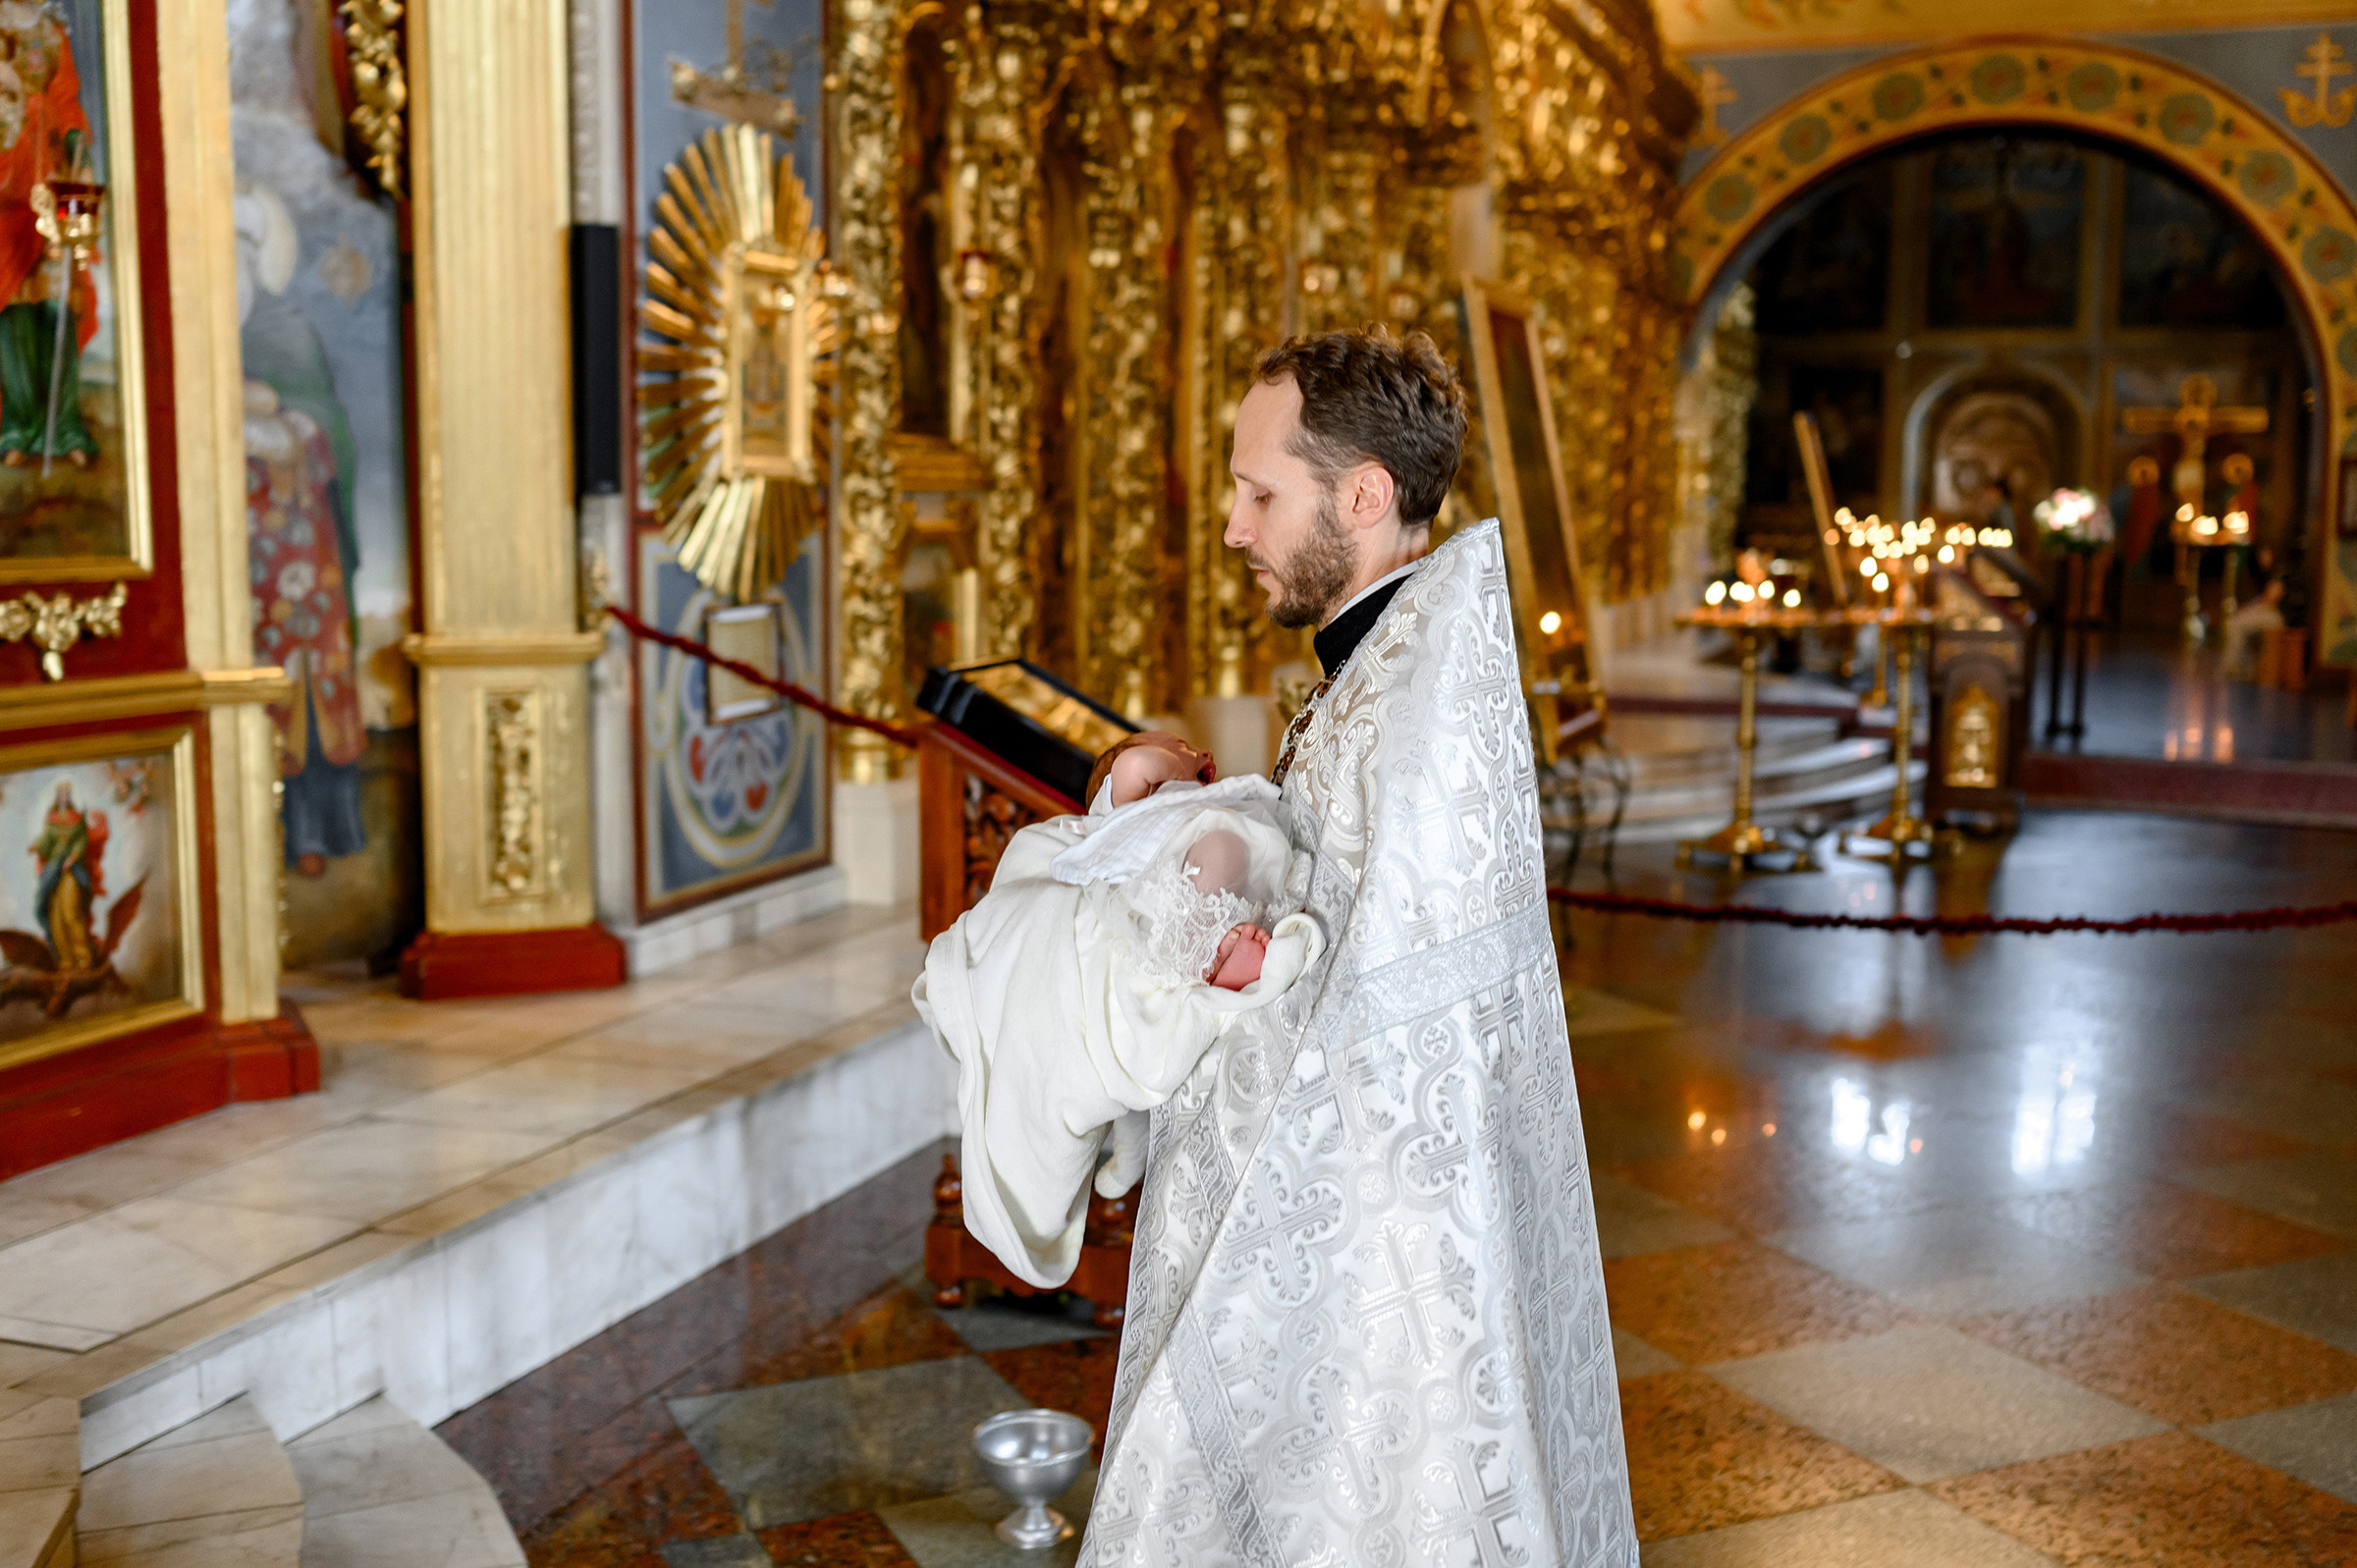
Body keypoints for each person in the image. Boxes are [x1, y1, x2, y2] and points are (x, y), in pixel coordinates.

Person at [1069, 327, 1635, 1566]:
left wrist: (1184, 905)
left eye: (1260, 491)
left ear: (1364, 496)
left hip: (1377, 1248)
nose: (1234, 525)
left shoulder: (1416, 697)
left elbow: (1362, 1016)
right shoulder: (1397, 663)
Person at [915, 730, 1325, 1291]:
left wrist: (1185, 769)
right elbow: (1134, 764)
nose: (1199, 749)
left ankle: (1217, 958)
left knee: (1227, 853)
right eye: (1176, 741)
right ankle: (1212, 963)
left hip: (1185, 903)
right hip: (1153, 924)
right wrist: (1164, 761)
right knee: (1221, 852)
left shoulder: (1194, 811)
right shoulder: (1118, 809)